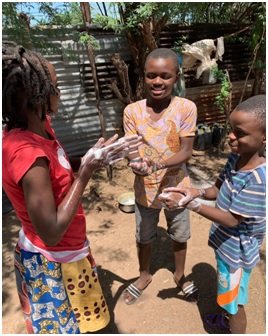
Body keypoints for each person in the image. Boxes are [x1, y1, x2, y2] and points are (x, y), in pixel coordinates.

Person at [2, 41, 141, 334]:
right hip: (53, 262)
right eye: (54, 86)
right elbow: (51, 233)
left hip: (70, 251)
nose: (59, 93)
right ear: (35, 96)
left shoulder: (41, 127)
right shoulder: (26, 153)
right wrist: (88, 169)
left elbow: (59, 168)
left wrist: (91, 158)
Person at [159, 95, 266, 333]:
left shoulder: (258, 180)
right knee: (227, 294)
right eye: (231, 130)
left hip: (236, 253)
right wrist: (193, 192)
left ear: (264, 138)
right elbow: (216, 189)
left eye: (240, 133)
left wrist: (190, 204)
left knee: (234, 304)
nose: (231, 136)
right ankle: (226, 319)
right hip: (227, 246)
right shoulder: (236, 159)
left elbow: (231, 219)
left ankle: (233, 325)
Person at [122, 48, 198, 305]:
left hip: (178, 187)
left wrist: (155, 165)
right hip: (144, 190)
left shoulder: (186, 108)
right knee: (144, 236)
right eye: (151, 75)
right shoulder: (132, 111)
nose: (158, 82)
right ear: (143, 76)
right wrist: (135, 164)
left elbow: (186, 151)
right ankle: (144, 275)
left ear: (176, 77)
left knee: (179, 234)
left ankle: (180, 274)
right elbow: (131, 151)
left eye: (165, 76)